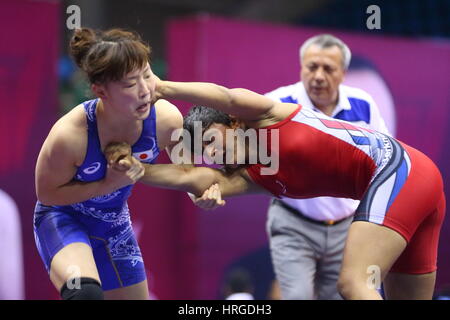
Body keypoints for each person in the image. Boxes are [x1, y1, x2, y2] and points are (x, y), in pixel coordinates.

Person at [107, 76, 446, 300]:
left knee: (354, 282)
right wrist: (138, 169)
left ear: (234, 122)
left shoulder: (267, 115)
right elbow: (187, 179)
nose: (212, 154)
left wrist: (164, 88)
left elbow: (225, 96)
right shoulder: (251, 177)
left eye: (212, 140)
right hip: (417, 189)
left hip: (400, 168)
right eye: (204, 152)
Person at [33, 27, 184, 300]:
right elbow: (47, 193)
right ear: (100, 90)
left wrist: (207, 190)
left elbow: (186, 171)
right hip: (64, 219)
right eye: (129, 84)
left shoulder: (167, 120)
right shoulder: (69, 136)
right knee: (85, 294)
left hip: (114, 225)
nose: (144, 91)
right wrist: (107, 184)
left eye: (147, 76)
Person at [263, 34, 391, 300]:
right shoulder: (276, 104)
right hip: (293, 223)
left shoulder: (364, 105)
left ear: (343, 73)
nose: (318, 76)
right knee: (297, 296)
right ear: (301, 69)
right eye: (312, 67)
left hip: (347, 227)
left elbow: (387, 158)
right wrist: (210, 183)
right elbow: (236, 144)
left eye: (328, 69)